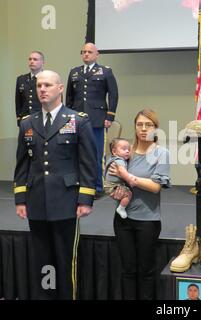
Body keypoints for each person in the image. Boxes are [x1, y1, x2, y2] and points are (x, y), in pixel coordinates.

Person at [13, 70, 97, 300]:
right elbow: (22, 165)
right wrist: (20, 199)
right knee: (43, 261)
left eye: (48, 85)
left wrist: (85, 199)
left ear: (60, 88)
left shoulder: (77, 120)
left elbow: (88, 163)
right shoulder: (28, 123)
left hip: (67, 201)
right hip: (37, 201)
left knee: (64, 259)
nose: (42, 89)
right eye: (39, 85)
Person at [109, 108, 170, 300]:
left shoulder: (162, 153)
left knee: (146, 271)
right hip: (123, 220)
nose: (143, 129)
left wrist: (129, 178)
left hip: (148, 221)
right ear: (135, 127)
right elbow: (113, 180)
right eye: (139, 124)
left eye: (148, 125)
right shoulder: (126, 154)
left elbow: (155, 187)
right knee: (127, 270)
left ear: (156, 128)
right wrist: (115, 192)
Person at [66, 42, 119, 198]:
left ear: (97, 54)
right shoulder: (74, 72)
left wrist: (110, 116)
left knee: (96, 153)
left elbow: (113, 94)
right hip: (76, 119)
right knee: (75, 152)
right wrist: (68, 116)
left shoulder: (105, 72)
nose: (86, 54)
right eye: (83, 52)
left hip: (97, 119)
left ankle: (97, 186)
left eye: (89, 52)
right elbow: (69, 97)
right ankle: (79, 184)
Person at [104, 138, 133, 219]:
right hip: (112, 185)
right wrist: (130, 179)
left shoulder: (112, 159)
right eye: (124, 149)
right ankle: (121, 208)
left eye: (129, 149)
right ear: (114, 151)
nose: (127, 151)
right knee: (128, 194)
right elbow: (122, 171)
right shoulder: (119, 161)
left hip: (109, 184)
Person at [15, 51, 44, 126]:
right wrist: (19, 118)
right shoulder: (21, 79)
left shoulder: (48, 77)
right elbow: (18, 102)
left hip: (42, 120)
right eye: (30, 59)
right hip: (26, 120)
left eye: (35, 59)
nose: (32, 61)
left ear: (42, 62)